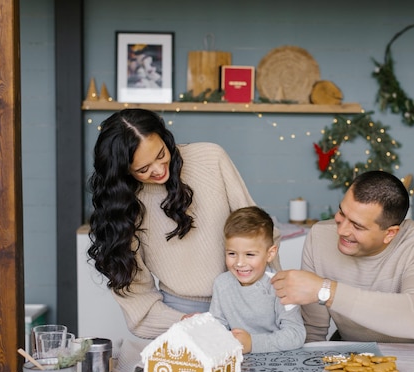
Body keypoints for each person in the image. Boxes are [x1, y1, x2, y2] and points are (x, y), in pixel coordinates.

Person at [87, 108, 279, 338]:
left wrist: (277, 292)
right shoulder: (123, 208)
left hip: (248, 302)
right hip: (183, 316)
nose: (158, 170)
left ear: (165, 138)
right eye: (143, 169)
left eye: (160, 154)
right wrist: (183, 321)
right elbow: (137, 300)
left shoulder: (211, 158)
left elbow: (260, 232)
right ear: (122, 171)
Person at [271, 170, 414, 344]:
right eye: (342, 212)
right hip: (356, 360)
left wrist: (325, 290)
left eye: (357, 226)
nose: (341, 231)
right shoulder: (320, 236)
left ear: (390, 233)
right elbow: (313, 331)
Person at [209, 206, 305, 353]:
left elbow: (296, 335)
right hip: (236, 363)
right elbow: (216, 328)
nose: (239, 263)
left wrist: (252, 343)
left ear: (270, 254)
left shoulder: (282, 286)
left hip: (277, 363)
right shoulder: (221, 284)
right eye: (232, 253)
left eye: (250, 255)